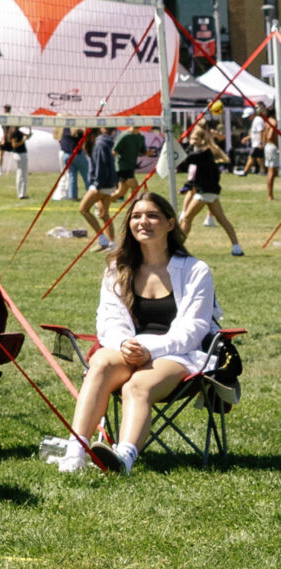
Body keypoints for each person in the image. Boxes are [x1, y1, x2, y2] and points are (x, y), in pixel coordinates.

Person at [52, 192, 221, 475]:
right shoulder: (117, 268)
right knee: (100, 362)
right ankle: (75, 452)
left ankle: (123, 458)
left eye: (152, 216)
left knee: (137, 385)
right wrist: (124, 344)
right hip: (129, 349)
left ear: (170, 223)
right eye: (136, 216)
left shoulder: (195, 270)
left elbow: (193, 329)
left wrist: (150, 351)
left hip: (177, 354)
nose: (143, 222)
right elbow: (109, 319)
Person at [179, 123, 244, 254]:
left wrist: (187, 147)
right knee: (222, 220)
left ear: (201, 140)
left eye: (194, 138)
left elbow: (183, 162)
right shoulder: (206, 152)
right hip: (212, 192)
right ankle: (237, 247)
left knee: (186, 218)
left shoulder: (200, 154)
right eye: (191, 138)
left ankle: (177, 249)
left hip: (205, 192)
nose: (191, 141)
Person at [81, 127, 120, 248]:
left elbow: (101, 165)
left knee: (83, 209)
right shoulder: (107, 142)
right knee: (104, 214)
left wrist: (98, 184)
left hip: (101, 184)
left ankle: (102, 239)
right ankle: (112, 243)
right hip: (108, 183)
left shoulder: (99, 143)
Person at [111, 123, 147, 211]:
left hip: (131, 167)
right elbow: (114, 151)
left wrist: (148, 153)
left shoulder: (140, 137)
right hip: (122, 167)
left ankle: (103, 200)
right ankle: (132, 208)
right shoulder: (124, 136)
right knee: (135, 187)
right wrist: (110, 166)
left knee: (121, 192)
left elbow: (143, 152)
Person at [0, 120, 30, 200]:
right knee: (21, 174)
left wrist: (28, 134)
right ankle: (21, 194)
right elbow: (14, 145)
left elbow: (26, 136)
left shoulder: (18, 132)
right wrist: (23, 140)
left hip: (21, 154)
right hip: (19, 154)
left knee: (23, 174)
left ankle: (23, 193)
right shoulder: (14, 132)